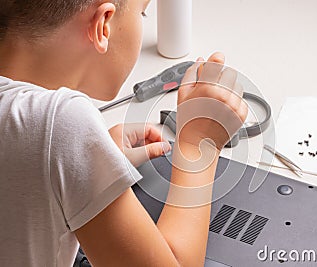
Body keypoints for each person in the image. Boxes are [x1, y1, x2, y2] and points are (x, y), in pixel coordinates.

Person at [0, 0, 248, 266]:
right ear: (103, 24)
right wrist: (199, 144)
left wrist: (86, 164)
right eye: (143, 13)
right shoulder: (61, 123)